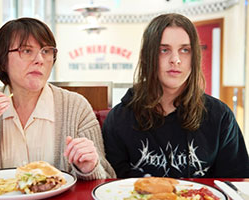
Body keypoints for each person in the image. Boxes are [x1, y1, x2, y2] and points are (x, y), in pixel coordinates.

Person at [0, 17, 115, 180]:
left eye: (46, 51)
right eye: (27, 51)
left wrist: (88, 168)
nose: (40, 60)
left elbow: (106, 179)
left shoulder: (76, 107)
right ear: (2, 60)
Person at [102, 13, 249, 178]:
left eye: (185, 50)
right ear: (147, 57)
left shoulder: (220, 116)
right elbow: (112, 186)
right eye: (164, 50)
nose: (175, 59)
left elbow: (235, 182)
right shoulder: (119, 119)